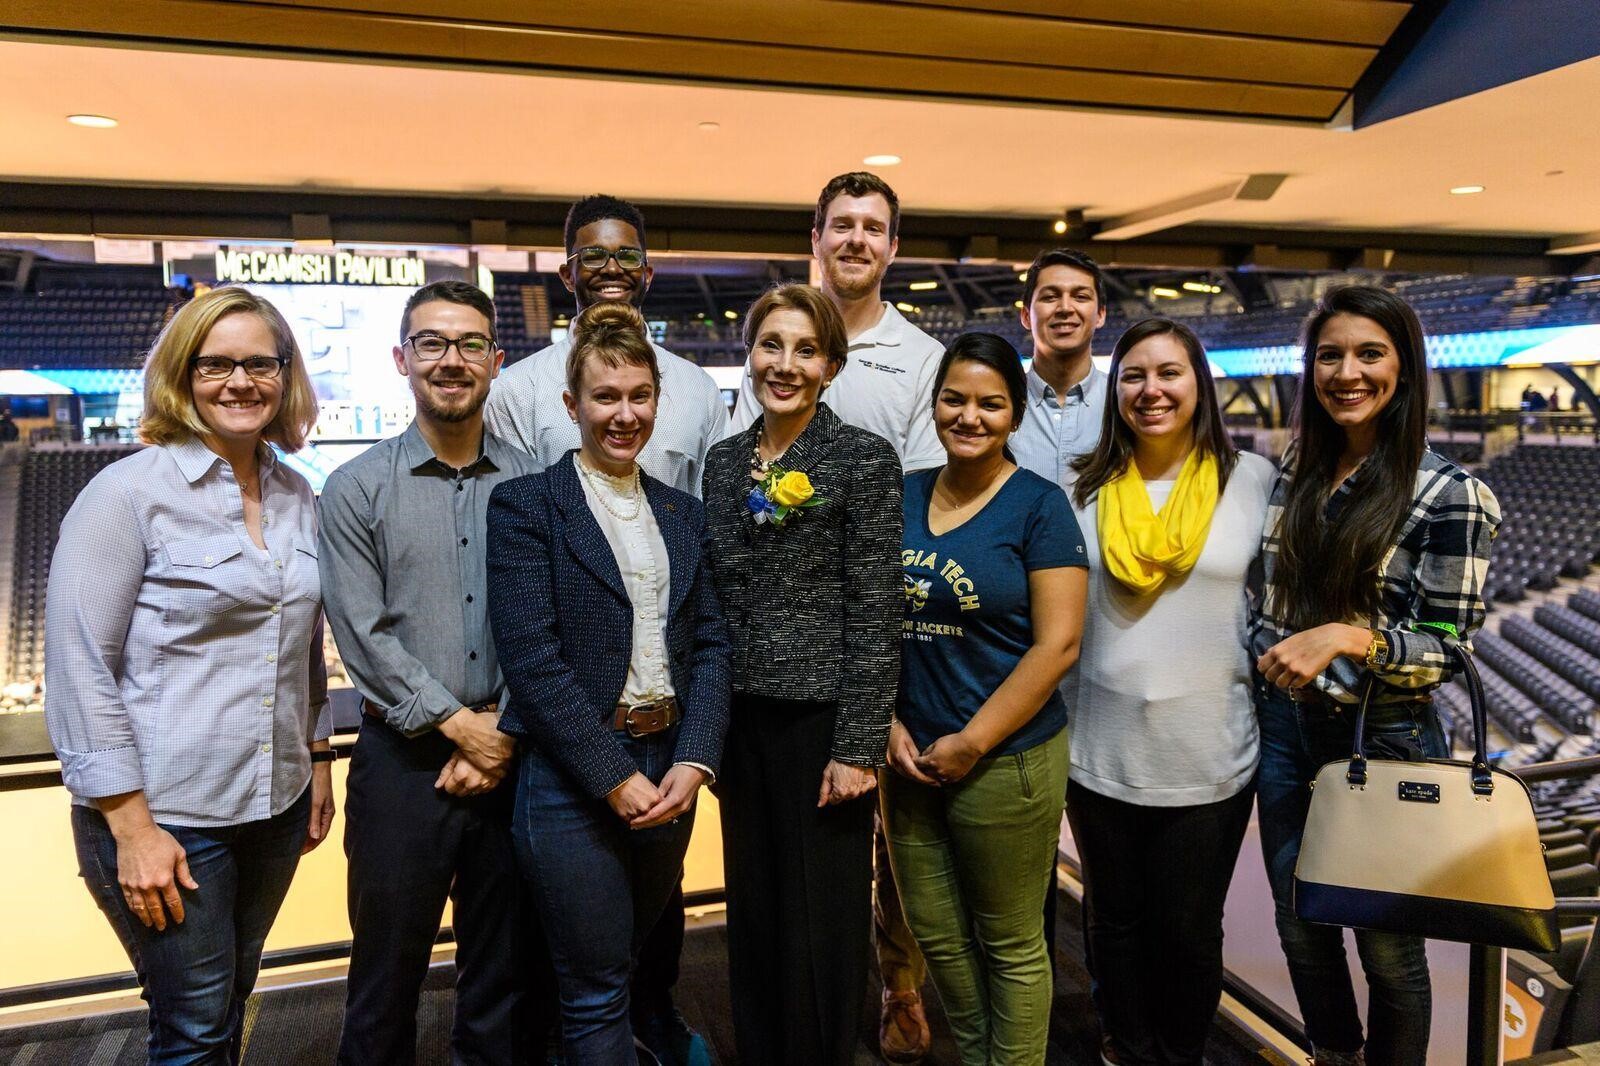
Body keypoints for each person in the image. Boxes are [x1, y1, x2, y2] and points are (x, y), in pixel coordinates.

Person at [44, 286, 334, 1064]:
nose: (240, 382)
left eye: (259, 364)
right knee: (195, 1026)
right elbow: (77, 670)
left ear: (285, 376)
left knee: (228, 1000)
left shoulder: (295, 493)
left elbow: (300, 643)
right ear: (182, 375)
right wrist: (133, 828)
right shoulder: (125, 495)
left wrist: (318, 760)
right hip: (168, 815)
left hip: (272, 804)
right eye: (216, 365)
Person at [484, 194, 726, 1062]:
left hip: (671, 770)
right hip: (581, 775)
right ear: (572, 401)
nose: (623, 412)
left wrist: (694, 760)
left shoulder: (682, 514)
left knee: (633, 965)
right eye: (605, 397)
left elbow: (710, 643)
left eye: (638, 396)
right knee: (589, 995)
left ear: (658, 399)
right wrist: (613, 777)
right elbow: (534, 659)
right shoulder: (526, 504)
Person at [1250, 285, 1500, 1066]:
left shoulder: (1450, 492)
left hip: (1382, 738)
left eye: (1369, 354)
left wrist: (1347, 638)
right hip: (1285, 730)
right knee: (1301, 923)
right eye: (1330, 355)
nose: (1347, 373)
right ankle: (1334, 1055)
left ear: (1405, 367)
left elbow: (1449, 647)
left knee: (1389, 950)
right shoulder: (1296, 468)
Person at [731, 170, 944, 1059]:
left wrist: (868, 713)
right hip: (762, 692)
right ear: (814, 234)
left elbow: (918, 531)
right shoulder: (745, 411)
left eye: (873, 227)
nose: (856, 240)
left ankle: (898, 989)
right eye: (841, 225)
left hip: (863, 662)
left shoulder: (918, 365)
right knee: (773, 890)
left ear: (892, 247)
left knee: (882, 865)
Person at [319, 280, 552, 1065]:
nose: (451, 361)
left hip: (516, 755)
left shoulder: (537, 484)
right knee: (385, 980)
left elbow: (552, 624)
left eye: (469, 345)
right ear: (401, 358)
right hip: (400, 763)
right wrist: (461, 728)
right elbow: (362, 633)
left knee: (504, 980)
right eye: (431, 343)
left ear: (497, 359)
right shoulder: (354, 489)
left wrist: (503, 732)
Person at [703, 283, 904, 1065]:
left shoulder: (861, 458)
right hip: (741, 721)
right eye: (770, 346)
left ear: (830, 364)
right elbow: (715, 597)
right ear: (750, 354)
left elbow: (877, 607)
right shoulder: (725, 462)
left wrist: (858, 747)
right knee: (753, 911)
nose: (784, 365)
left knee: (821, 920)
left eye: (805, 349)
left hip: (823, 724)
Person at [1066, 319, 1275, 1066]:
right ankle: (1126, 1043)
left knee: (1190, 929)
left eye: (1169, 373)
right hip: (1099, 750)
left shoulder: (1251, 479)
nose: (1150, 390)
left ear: (1199, 385)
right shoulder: (1080, 485)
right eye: (1132, 375)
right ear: (1113, 389)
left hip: (1211, 752)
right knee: (1112, 923)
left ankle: (1183, 1051)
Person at [882, 332, 1088, 1065]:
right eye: (955, 400)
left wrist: (972, 742)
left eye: (990, 404)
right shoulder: (901, 493)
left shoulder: (1038, 506)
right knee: (936, 933)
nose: (969, 416)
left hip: (1005, 760)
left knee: (1008, 942)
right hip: (907, 758)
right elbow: (871, 621)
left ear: (1014, 414)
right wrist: (889, 723)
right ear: (935, 404)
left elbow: (1057, 645)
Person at [485, 194, 728, 497]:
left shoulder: (698, 389)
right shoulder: (517, 390)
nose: (612, 269)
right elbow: (514, 510)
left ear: (647, 275)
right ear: (567, 276)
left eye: (628, 256)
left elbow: (712, 513)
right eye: (593, 256)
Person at [1011, 248, 1111, 489]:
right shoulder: (1001, 406)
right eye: (1050, 297)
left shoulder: (1122, 403)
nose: (1065, 308)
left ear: (1100, 315)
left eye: (1081, 296)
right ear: (1026, 315)